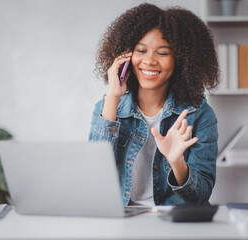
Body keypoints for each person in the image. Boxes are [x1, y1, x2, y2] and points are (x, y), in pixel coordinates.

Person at [89, 3, 220, 206]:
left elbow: (201, 196)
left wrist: (177, 163)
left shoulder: (200, 115)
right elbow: (93, 178)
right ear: (126, 56)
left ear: (182, 60)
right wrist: (113, 97)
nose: (149, 61)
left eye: (162, 53)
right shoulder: (106, 107)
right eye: (141, 50)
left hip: (173, 221)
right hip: (124, 217)